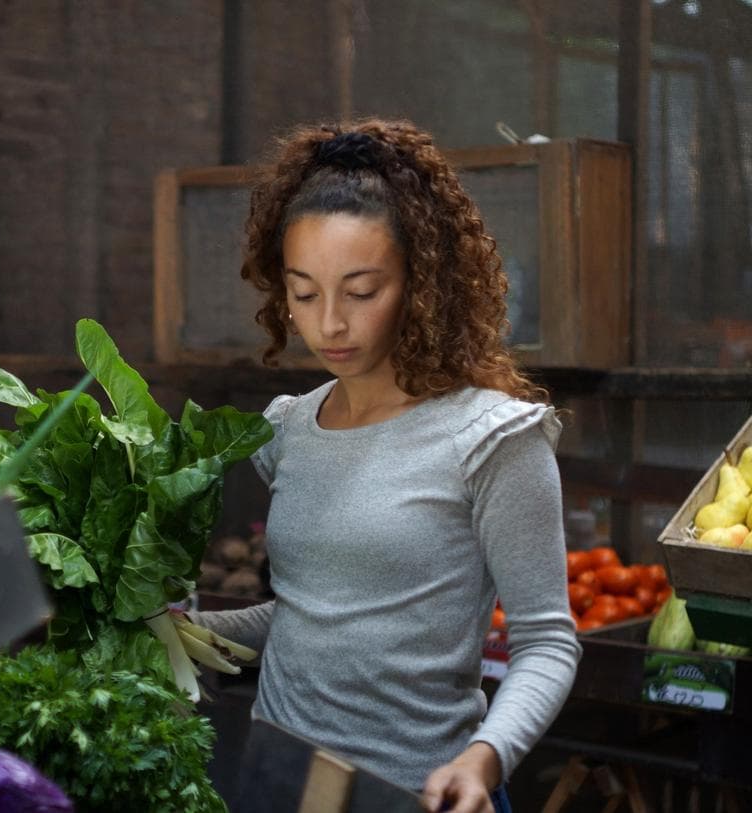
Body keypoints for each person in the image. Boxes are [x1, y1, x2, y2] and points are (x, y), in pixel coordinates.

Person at [188, 118, 582, 813]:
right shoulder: (289, 429)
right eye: (304, 293)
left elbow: (546, 641)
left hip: (414, 793)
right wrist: (188, 633)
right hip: (281, 787)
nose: (330, 324)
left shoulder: (492, 438)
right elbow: (314, 616)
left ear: (422, 283)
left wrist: (483, 759)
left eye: (362, 291)